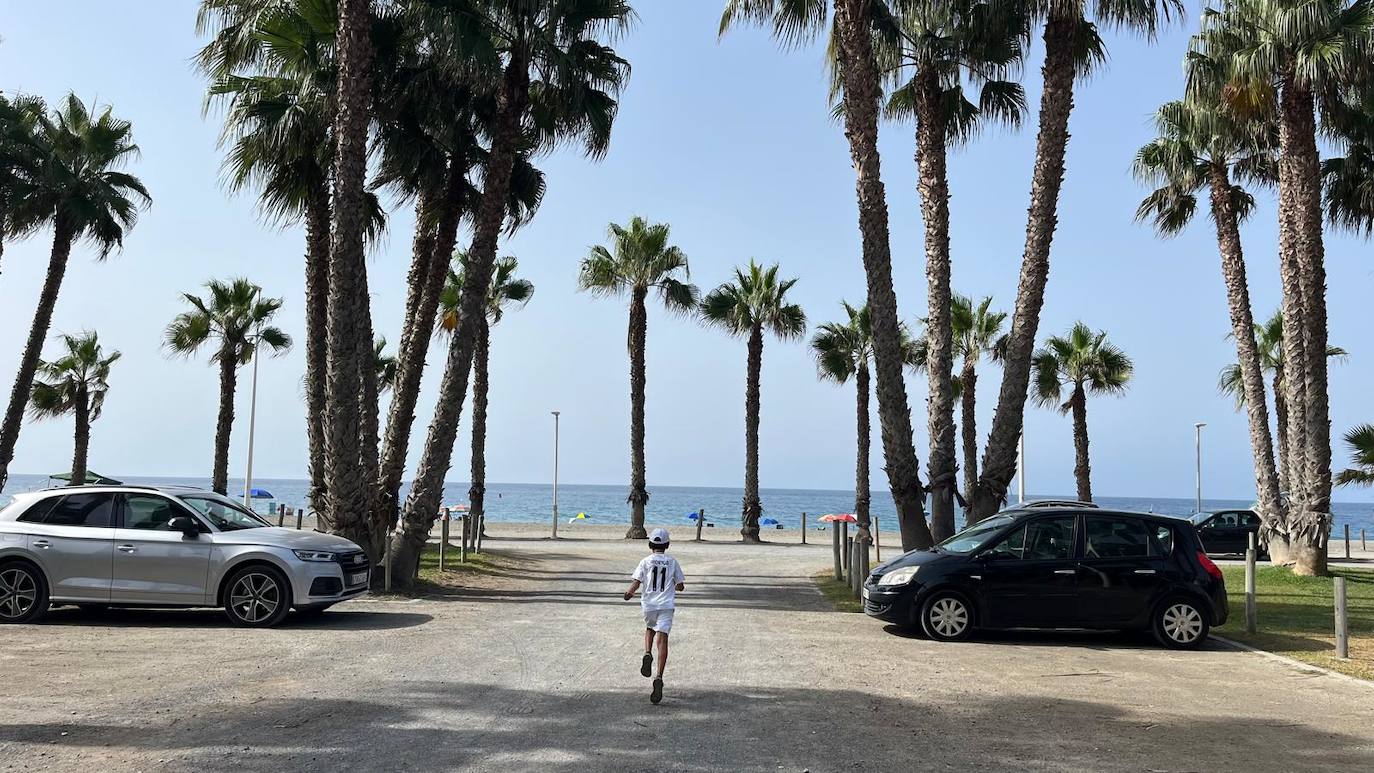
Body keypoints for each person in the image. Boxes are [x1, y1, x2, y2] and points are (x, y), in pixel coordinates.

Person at [623, 528, 684, 704]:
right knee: (663, 638)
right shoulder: (672, 562)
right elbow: (680, 586)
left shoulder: (645, 561)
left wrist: (628, 593)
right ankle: (658, 677)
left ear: (650, 545)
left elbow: (636, 582)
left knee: (649, 628)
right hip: (666, 605)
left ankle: (647, 652)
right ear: (667, 545)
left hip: (649, 605)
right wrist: (674, 584)